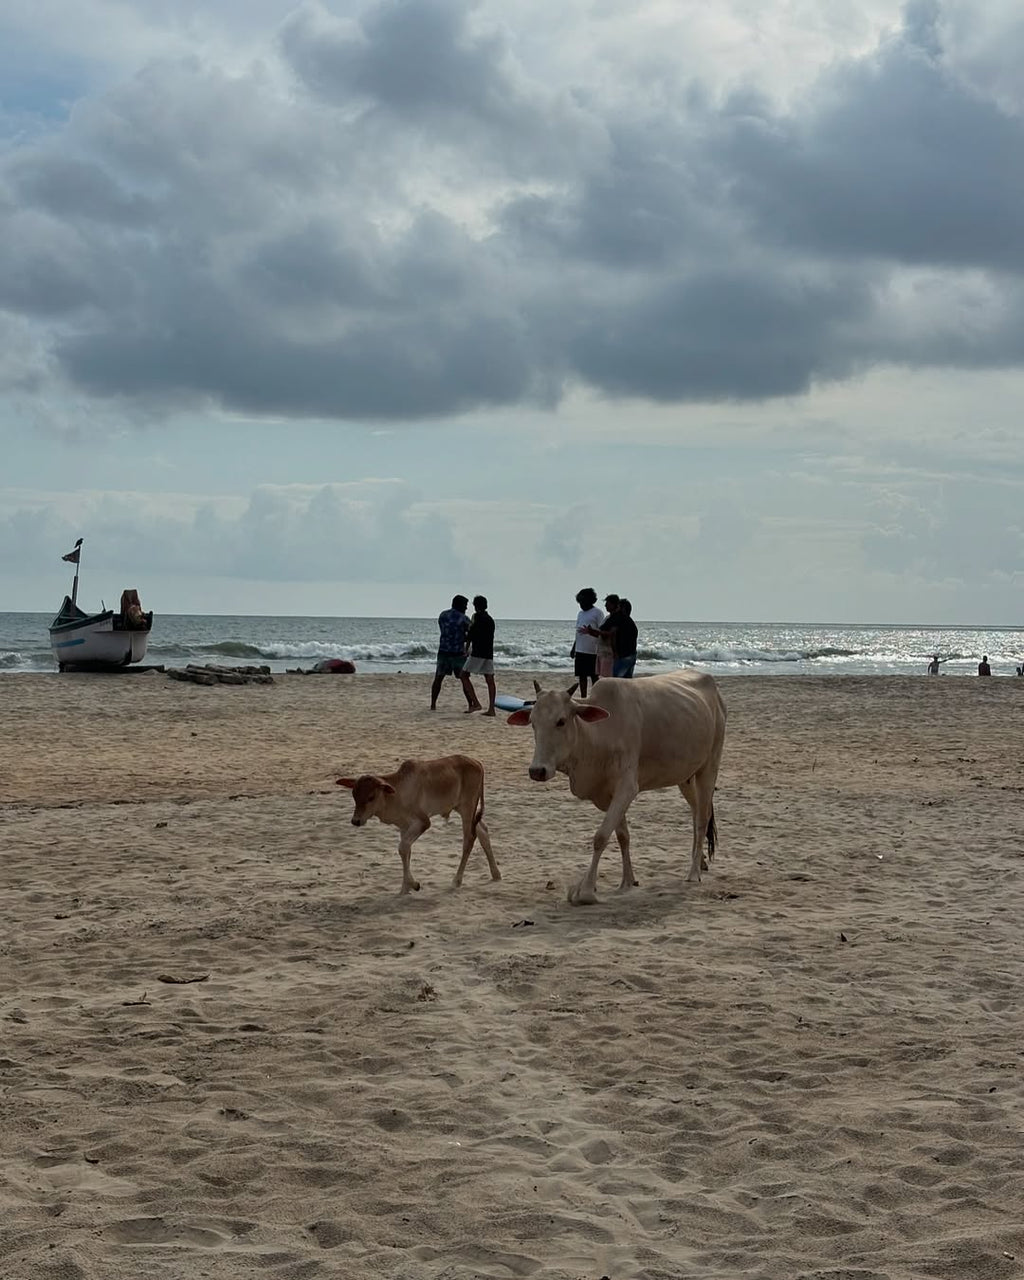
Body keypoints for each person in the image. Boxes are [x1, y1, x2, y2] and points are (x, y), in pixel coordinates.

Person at [430, 595, 479, 712]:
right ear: (460, 605)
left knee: (438, 679)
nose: (466, 608)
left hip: (443, 651)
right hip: (457, 653)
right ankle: (470, 704)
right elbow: (471, 633)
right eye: (465, 606)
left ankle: (433, 704)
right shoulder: (464, 619)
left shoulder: (443, 615)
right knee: (464, 679)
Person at [463, 595, 497, 716]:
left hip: (478, 652)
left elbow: (471, 634)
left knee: (464, 675)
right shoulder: (490, 620)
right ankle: (491, 709)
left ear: (476, 606)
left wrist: (466, 649)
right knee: (490, 680)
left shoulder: (476, 617)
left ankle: (476, 703)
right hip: (488, 653)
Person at [571, 587, 604, 698]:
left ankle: (597, 696)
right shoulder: (580, 614)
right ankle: (584, 697)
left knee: (594, 676)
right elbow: (578, 632)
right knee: (582, 676)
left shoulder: (597, 613)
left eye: (583, 602)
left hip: (592, 650)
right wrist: (574, 647)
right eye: (580, 602)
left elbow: (602, 631)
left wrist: (590, 631)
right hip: (580, 649)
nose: (581, 605)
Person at [611, 598, 639, 678]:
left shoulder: (621, 622)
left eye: (618, 607)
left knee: (617, 680)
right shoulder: (631, 622)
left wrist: (615, 652)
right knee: (627, 680)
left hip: (623, 656)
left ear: (622, 609)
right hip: (631, 654)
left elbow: (614, 636)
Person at [596, 594, 619, 678]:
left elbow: (612, 634)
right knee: (602, 675)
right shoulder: (608, 618)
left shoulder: (616, 618)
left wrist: (598, 632)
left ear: (613, 605)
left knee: (607, 677)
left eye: (608, 604)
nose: (605, 605)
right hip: (603, 651)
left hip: (608, 652)